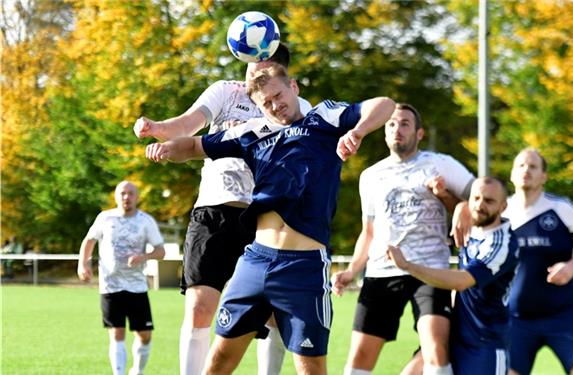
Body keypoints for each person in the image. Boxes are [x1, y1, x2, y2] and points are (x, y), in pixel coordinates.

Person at [145, 64, 395, 374]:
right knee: (220, 360)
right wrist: (167, 148)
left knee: (310, 368)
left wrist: (356, 131)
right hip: (256, 262)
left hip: (303, 266)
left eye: (278, 95)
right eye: (266, 103)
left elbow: (384, 104)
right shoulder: (251, 132)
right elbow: (196, 146)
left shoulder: (325, 118)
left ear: (294, 87)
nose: (275, 105)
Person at [134, 44, 311, 375]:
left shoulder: (293, 105)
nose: (251, 75)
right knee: (200, 307)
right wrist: (157, 128)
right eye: (248, 66)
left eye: (261, 69)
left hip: (265, 220)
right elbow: (188, 124)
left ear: (282, 75)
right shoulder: (225, 92)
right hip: (214, 212)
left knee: (272, 312)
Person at [330, 103, 475, 375]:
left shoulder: (439, 164)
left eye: (405, 124)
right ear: (384, 133)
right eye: (392, 124)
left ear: (419, 133)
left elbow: (477, 197)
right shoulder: (370, 176)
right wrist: (351, 271)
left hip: (430, 269)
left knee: (435, 346)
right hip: (382, 271)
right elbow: (369, 231)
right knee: (359, 356)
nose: (398, 129)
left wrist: (457, 203)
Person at [388, 176, 519, 374]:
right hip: (453, 334)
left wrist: (408, 265)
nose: (480, 205)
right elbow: (464, 207)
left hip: (484, 344)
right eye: (476, 198)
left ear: (503, 207)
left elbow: (462, 281)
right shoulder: (473, 226)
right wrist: (447, 197)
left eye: (489, 201)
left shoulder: (501, 243)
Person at [504, 148, 573, 375]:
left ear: (544, 176)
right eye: (521, 165)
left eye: (533, 166)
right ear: (511, 174)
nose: (526, 170)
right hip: (515, 318)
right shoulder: (500, 212)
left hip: (563, 314)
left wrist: (571, 267)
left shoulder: (560, 208)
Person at [77, 181, 165, 375]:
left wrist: (144, 257)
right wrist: (83, 264)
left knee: (145, 335)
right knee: (117, 333)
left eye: (131, 193)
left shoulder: (146, 221)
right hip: (110, 285)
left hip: (137, 287)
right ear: (116, 197)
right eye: (123, 193)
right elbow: (89, 241)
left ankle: (137, 371)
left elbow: (160, 251)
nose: (127, 197)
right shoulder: (105, 218)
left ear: (137, 197)